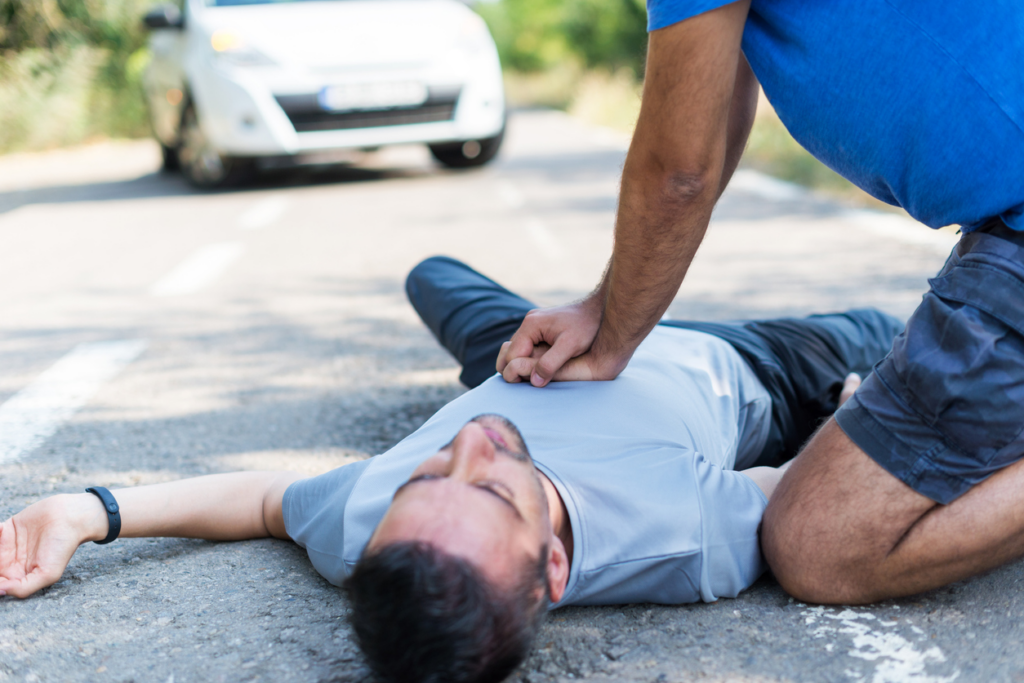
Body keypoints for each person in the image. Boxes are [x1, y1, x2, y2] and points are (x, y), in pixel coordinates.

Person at [0, 257, 900, 683]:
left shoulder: (367, 523)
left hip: (528, 352)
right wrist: (852, 416)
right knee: (885, 337)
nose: (477, 444)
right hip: (751, 369)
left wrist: (91, 508)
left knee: (431, 276)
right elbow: (804, 487)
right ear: (553, 563)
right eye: (495, 485)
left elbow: (267, 498)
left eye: (426, 477)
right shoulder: (684, 539)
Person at [497, 1, 1024, 605]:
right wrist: (605, 308)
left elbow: (678, 173)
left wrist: (611, 332)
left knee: (817, 541)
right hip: (1001, 230)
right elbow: (714, 112)